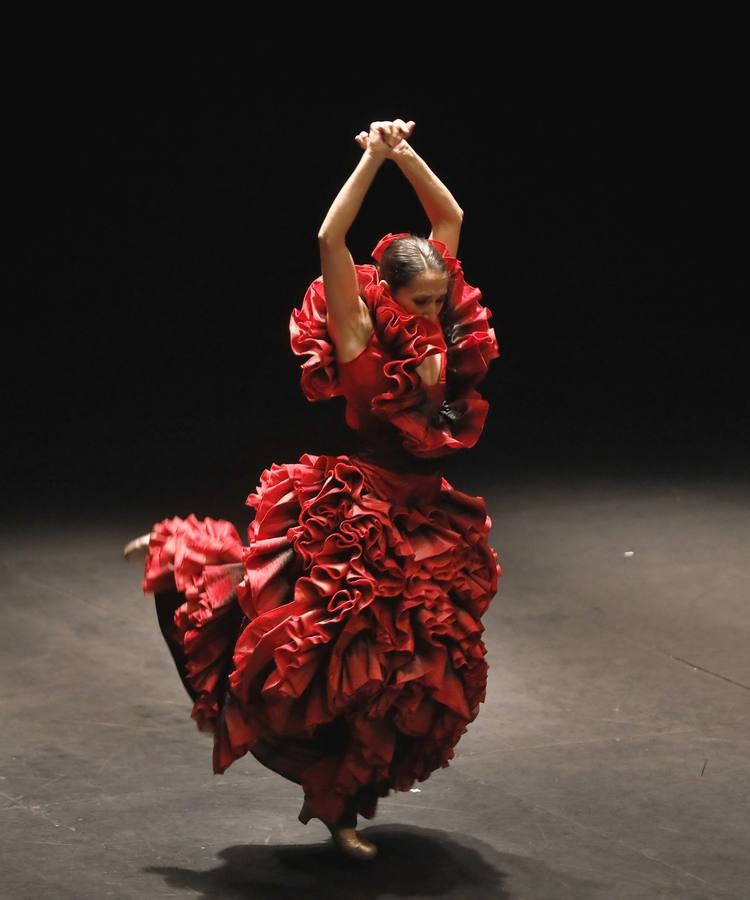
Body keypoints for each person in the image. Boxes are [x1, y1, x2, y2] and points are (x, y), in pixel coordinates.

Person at [123, 118, 502, 861]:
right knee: (334, 664)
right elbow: (332, 237)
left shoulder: (436, 316)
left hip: (427, 514)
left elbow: (449, 215)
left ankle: (346, 800)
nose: (435, 311)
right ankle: (185, 559)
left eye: (439, 298)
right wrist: (367, 161)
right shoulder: (359, 329)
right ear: (390, 293)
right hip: (363, 513)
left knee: (413, 670)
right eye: (423, 301)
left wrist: (402, 151)